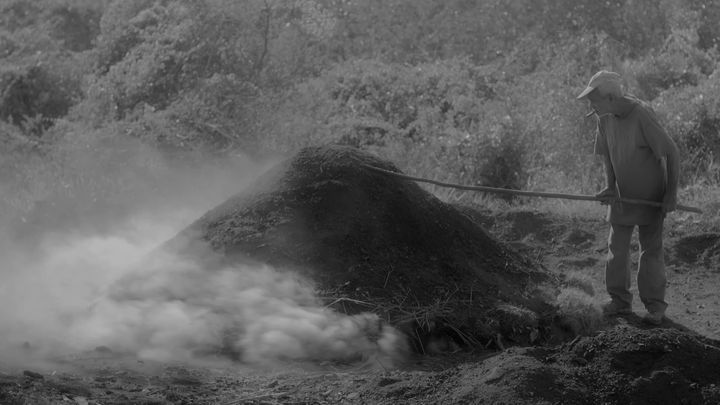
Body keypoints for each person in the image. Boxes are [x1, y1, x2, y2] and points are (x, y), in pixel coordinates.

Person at [577, 70, 680, 326]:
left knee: (651, 251)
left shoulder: (641, 115)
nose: (592, 105)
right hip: (622, 195)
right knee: (617, 247)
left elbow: (672, 152)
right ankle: (619, 301)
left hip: (651, 195)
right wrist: (610, 186)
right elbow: (608, 156)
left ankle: (655, 307)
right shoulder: (604, 117)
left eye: (595, 99)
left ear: (611, 97)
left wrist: (671, 194)